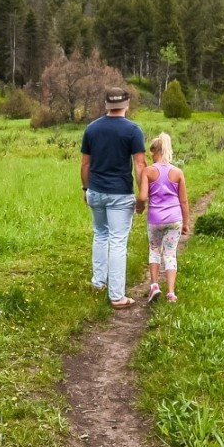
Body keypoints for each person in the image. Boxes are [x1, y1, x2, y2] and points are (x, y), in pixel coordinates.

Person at [80, 87, 147, 307]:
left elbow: (85, 164)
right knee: (118, 241)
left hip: (96, 191)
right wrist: (142, 195)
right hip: (119, 193)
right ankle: (117, 296)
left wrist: (85, 189)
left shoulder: (92, 129)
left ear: (106, 104)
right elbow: (139, 165)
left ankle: (99, 282)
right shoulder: (132, 130)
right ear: (126, 104)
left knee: (100, 234)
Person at [142, 132, 191, 304]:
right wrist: (186, 223)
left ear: (155, 152)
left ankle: (154, 285)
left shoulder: (148, 171)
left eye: (151, 153)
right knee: (170, 254)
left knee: (154, 251)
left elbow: (144, 195)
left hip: (155, 219)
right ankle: (171, 293)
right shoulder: (177, 172)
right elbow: (183, 201)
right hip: (174, 219)